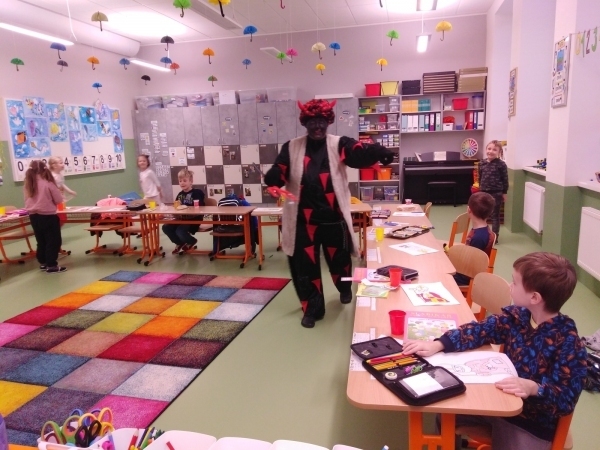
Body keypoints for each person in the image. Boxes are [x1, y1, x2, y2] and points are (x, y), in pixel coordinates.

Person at [403, 252, 587, 450]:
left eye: (515, 282)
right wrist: (439, 343)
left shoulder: (568, 343)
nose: (510, 286)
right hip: (498, 403)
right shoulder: (518, 317)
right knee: (445, 416)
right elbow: (481, 330)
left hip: (532, 423)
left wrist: (535, 388)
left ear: (534, 297)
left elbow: (566, 400)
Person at [264, 99, 395, 328]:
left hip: (334, 218)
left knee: (340, 260)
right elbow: (280, 169)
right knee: (305, 267)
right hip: (303, 221)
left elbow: (358, 152)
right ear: (305, 123)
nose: (317, 126)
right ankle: (312, 309)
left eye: (321, 122)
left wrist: (378, 151)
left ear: (328, 122)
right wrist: (274, 177)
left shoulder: (339, 143)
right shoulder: (291, 147)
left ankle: (344, 288)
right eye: (312, 122)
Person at [24, 160, 66, 273]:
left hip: (33, 216)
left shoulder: (28, 184)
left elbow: (26, 200)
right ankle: (52, 265)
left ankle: (43, 262)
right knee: (53, 240)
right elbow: (58, 200)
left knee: (41, 240)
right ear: (44, 169)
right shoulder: (48, 183)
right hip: (48, 216)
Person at [452, 191, 495, 285]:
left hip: (466, 278)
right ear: (491, 212)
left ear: (469, 210)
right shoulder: (483, 231)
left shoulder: (478, 237)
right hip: (467, 273)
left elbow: (469, 265)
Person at [162, 169, 205, 255]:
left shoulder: (197, 193)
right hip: (181, 219)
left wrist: (187, 208)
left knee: (180, 231)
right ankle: (180, 243)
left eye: (185, 181)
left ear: (191, 181)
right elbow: (176, 207)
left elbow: (200, 207)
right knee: (166, 227)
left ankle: (191, 241)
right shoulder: (180, 194)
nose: (182, 183)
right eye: (180, 181)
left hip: (193, 220)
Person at [479, 140, 508, 244]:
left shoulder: (501, 164)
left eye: (494, 150)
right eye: (489, 149)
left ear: (499, 152)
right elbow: (480, 177)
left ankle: (495, 237)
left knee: (495, 216)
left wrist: (504, 193)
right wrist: (480, 191)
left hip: (496, 193)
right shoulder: (482, 163)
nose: (491, 151)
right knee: (483, 215)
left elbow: (505, 179)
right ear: (486, 149)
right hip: (484, 192)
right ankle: (483, 235)